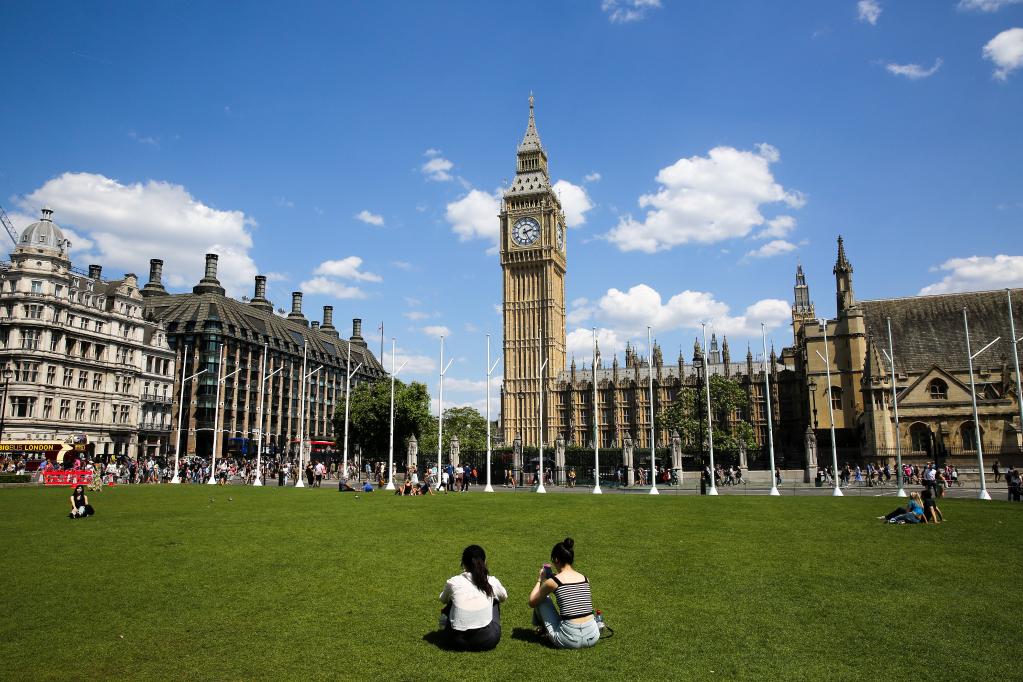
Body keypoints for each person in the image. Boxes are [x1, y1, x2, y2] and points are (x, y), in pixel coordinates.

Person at [528, 537, 600, 649]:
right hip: (593, 636)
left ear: (556, 559)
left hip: (569, 640)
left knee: (542, 599)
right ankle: (543, 629)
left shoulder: (553, 582)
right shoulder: (585, 579)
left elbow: (532, 602)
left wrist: (540, 579)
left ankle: (542, 628)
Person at [438, 545, 508, 651]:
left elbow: (443, 599)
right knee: (495, 600)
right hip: (487, 640)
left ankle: (445, 625)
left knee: (452, 598)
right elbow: (503, 597)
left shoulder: (454, 582)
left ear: (463, 563)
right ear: (484, 562)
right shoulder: (491, 581)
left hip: (455, 640)